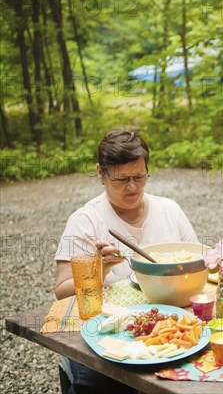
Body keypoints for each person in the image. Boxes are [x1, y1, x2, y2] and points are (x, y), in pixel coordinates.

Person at [54, 129, 199, 393]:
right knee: (96, 381)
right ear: (101, 173)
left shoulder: (169, 210)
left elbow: (199, 264)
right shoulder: (85, 220)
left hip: (168, 324)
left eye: (139, 177)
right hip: (106, 334)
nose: (132, 187)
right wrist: (99, 268)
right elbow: (61, 291)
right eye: (122, 179)